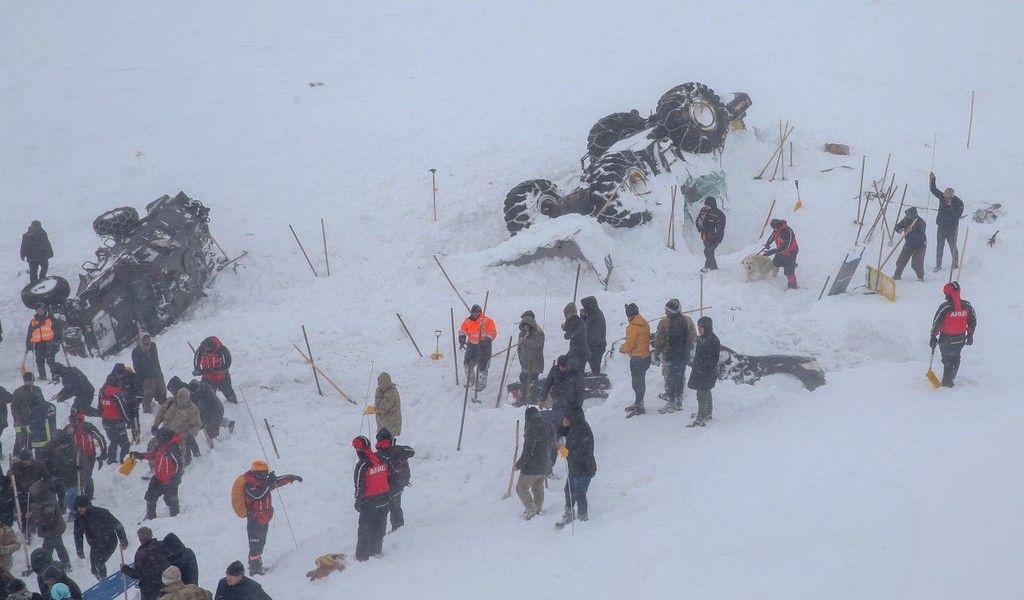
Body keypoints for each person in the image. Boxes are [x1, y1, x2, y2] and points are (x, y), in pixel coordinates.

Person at [239, 461, 301, 576]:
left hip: (264, 519)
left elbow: (276, 481)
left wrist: (291, 477)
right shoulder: (249, 485)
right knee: (255, 544)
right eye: (262, 474)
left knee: (261, 543)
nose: (264, 476)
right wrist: (269, 482)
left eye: (265, 474)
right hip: (255, 520)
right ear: (255, 473)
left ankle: (257, 565)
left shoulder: (264, 482)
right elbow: (258, 495)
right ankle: (254, 569)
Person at [652, 299, 696, 414]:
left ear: (672, 312)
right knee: (680, 376)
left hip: (672, 355)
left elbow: (660, 339)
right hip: (684, 355)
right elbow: (693, 336)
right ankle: (679, 399)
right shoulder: (687, 320)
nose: (665, 313)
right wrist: (688, 348)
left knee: (669, 376)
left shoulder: (667, 323)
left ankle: (672, 400)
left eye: (667, 311)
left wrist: (657, 352)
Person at [929, 281, 977, 388]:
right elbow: (973, 321)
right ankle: (951, 376)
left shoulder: (945, 307)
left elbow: (936, 322)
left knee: (947, 360)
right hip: (960, 338)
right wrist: (970, 334)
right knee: (955, 357)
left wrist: (933, 336)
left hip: (946, 339)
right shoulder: (967, 305)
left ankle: (947, 383)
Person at [556, 407, 596, 528]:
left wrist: (566, 451)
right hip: (574, 467)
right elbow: (562, 434)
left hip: (585, 468)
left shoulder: (582, 429)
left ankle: (583, 517)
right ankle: (569, 514)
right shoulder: (573, 426)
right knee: (568, 490)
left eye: (567, 418)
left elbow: (582, 451)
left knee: (579, 493)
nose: (565, 419)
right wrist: (564, 427)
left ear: (573, 417)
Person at [129, 429, 183, 519]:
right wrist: (140, 455)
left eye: (159, 438)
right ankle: (150, 516)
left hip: (170, 481)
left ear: (164, 438)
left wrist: (174, 479)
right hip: (158, 477)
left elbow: (179, 465)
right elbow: (154, 455)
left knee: (171, 500)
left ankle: (176, 518)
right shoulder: (162, 446)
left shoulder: (173, 449)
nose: (157, 440)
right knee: (150, 496)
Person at [351, 436, 390, 562]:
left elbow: (359, 485)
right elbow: (388, 476)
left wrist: (358, 501)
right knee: (380, 528)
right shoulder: (381, 458)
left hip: (369, 503)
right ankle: (376, 551)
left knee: (365, 530)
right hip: (384, 500)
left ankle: (362, 557)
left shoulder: (362, 465)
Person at [513, 406, 555, 520]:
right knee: (538, 486)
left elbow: (528, 450)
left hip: (532, 467)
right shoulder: (549, 426)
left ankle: (531, 509)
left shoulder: (532, 429)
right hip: (544, 464)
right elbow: (552, 442)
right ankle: (538, 508)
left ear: (527, 418)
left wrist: (519, 465)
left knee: (521, 487)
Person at [72, 496, 128, 580]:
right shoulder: (78, 518)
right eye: (79, 507)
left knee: (99, 562)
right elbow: (78, 534)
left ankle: (104, 580)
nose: (81, 509)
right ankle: (101, 582)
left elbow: (117, 525)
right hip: (95, 544)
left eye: (83, 507)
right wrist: (79, 549)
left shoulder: (101, 513)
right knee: (94, 570)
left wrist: (123, 540)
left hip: (109, 541)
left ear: (87, 506)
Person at [167, 377, 231, 449]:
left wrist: (199, 425)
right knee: (213, 419)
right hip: (215, 410)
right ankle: (229, 423)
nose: (174, 394)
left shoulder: (194, 393)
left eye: (173, 391)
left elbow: (204, 413)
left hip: (214, 411)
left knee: (211, 435)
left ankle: (217, 452)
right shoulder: (189, 390)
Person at [374, 428, 414, 531]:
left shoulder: (376, 456)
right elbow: (411, 451)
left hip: (384, 487)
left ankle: (380, 535)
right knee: (395, 508)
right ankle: (398, 529)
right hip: (399, 483)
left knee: (382, 511)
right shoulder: (399, 450)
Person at [27, 477, 70, 571]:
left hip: (52, 530)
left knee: (46, 551)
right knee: (59, 546)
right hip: (56, 528)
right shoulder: (47, 498)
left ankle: (45, 568)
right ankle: (66, 564)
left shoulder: (48, 503)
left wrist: (33, 516)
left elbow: (47, 520)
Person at [63, 413, 105, 506]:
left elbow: (100, 438)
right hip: (74, 457)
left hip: (88, 455)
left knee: (87, 475)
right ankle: (78, 495)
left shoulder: (88, 427)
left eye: (74, 421)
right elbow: (62, 441)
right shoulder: (68, 429)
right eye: (71, 421)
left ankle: (89, 495)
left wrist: (103, 453)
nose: (73, 423)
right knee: (75, 476)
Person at [152, 389, 202, 466]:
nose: (179, 400)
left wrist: (190, 435)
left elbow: (196, 425)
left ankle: (180, 468)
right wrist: (155, 425)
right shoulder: (170, 402)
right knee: (152, 446)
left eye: (182, 399)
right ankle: (154, 467)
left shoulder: (193, 410)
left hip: (179, 437)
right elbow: (161, 413)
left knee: (178, 459)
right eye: (178, 397)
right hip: (164, 434)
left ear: (187, 399)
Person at [687, 316, 721, 427]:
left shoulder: (712, 340)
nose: (699, 328)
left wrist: (702, 368)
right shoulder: (703, 338)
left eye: (701, 327)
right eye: (698, 326)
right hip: (702, 371)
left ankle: (701, 418)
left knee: (701, 395)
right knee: (707, 392)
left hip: (706, 373)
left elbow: (713, 359)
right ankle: (707, 414)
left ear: (707, 327)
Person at [618, 303, 651, 417]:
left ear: (628, 315)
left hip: (637, 359)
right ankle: (638, 402)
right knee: (640, 381)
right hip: (646, 357)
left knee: (637, 383)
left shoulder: (632, 327)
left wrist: (622, 349)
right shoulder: (644, 322)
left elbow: (629, 346)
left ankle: (639, 405)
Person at [121, 527, 170, 600]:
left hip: (149, 590)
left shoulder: (141, 554)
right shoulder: (162, 545)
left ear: (140, 539)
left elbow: (138, 574)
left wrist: (125, 569)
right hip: (167, 586)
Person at [929, 172, 965, 273]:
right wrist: (933, 179)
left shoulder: (959, 203)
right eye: (944, 197)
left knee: (952, 246)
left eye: (947, 198)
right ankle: (938, 265)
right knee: (939, 246)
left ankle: (955, 264)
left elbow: (957, 215)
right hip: (941, 226)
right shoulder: (943, 197)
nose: (945, 199)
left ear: (952, 197)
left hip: (952, 228)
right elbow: (933, 190)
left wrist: (950, 207)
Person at [458, 305, 497, 394]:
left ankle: (481, 383)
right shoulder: (467, 321)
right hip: (472, 345)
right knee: (467, 363)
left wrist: (487, 339)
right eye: (473, 313)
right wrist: (462, 337)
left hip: (484, 346)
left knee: (483, 365)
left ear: (480, 313)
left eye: (477, 313)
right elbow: (463, 330)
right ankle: (470, 380)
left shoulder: (487, 321)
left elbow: (493, 332)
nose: (475, 315)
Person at [97, 374, 133, 465]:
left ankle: (111, 460)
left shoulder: (101, 391)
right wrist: (128, 420)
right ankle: (124, 462)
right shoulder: (117, 393)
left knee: (113, 441)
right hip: (117, 422)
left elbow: (99, 407)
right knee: (125, 443)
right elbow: (123, 408)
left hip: (105, 421)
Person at [192, 337, 237, 404]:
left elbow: (227, 365)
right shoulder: (202, 347)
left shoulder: (222, 350)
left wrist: (213, 370)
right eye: (204, 349)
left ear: (212, 347)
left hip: (222, 377)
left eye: (207, 349)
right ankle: (211, 407)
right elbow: (197, 356)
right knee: (207, 396)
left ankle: (233, 402)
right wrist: (197, 368)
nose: (205, 351)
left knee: (228, 392)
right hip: (207, 377)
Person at [514, 311, 545, 406]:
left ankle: (532, 399)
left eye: (527, 326)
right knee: (524, 378)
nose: (526, 328)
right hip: (526, 364)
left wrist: (524, 342)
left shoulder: (538, 334)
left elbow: (536, 345)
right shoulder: (522, 335)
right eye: (524, 326)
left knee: (531, 381)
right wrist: (521, 360)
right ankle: (525, 398)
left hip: (535, 363)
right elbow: (520, 349)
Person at [25, 307, 62, 382]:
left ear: (45, 310)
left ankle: (55, 377)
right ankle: (42, 377)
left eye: (41, 309)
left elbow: (58, 331)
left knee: (50, 361)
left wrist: (57, 341)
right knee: (39, 361)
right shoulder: (33, 321)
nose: (40, 311)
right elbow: (30, 333)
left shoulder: (51, 319)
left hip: (49, 343)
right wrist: (28, 343)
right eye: (38, 310)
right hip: (38, 344)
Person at [10, 373, 43, 455]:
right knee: (20, 439)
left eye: (30, 381)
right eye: (27, 381)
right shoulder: (18, 392)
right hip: (21, 420)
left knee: (31, 438)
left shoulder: (37, 390)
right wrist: (17, 418)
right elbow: (14, 407)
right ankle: (16, 456)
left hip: (34, 420)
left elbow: (42, 403)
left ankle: (28, 455)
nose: (29, 383)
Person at [132, 334, 165, 415]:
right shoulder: (136, 352)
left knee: (162, 391)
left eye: (148, 339)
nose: (147, 341)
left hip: (157, 373)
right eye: (144, 339)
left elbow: (156, 360)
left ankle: (163, 407)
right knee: (148, 395)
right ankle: (147, 412)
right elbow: (137, 367)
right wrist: (143, 379)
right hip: (147, 377)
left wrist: (158, 372)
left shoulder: (153, 346)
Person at [763, 219, 800, 289]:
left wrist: (772, 251)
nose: (774, 230)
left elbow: (786, 247)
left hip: (791, 251)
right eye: (773, 229)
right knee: (776, 262)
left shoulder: (788, 232)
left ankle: (792, 285)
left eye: (775, 228)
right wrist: (767, 244)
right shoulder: (776, 230)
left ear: (779, 225)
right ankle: (792, 264)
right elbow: (772, 236)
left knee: (789, 270)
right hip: (781, 251)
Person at [893, 207, 927, 281]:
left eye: (909, 215)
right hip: (909, 244)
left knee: (916, 264)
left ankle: (920, 278)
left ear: (913, 215)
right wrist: (899, 229)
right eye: (907, 215)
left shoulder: (921, 223)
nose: (907, 216)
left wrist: (911, 231)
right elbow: (898, 225)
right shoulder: (906, 219)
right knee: (901, 261)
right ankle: (896, 277)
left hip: (920, 245)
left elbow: (920, 237)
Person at [695, 196, 726, 272]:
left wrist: (717, 237)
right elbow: (698, 220)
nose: (706, 206)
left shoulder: (719, 214)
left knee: (708, 251)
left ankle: (712, 267)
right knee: (709, 252)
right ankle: (710, 266)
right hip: (705, 236)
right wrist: (700, 227)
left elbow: (720, 228)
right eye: (705, 205)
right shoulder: (703, 211)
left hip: (715, 237)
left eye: (708, 205)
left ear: (712, 204)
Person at [366, 373, 401, 437]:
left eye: (380, 382)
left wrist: (378, 395)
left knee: (386, 445)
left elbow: (381, 408)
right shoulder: (385, 391)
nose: (378, 384)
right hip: (386, 426)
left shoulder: (391, 393)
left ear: (385, 383)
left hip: (390, 427)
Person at [579, 297, 606, 375]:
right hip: (594, 346)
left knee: (595, 367)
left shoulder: (595, 315)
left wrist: (583, 316)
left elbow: (585, 327)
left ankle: (597, 381)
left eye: (585, 307)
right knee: (593, 366)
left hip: (595, 347)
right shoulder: (594, 313)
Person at [561, 303, 588, 372]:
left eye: (566, 314)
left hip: (579, 352)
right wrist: (566, 327)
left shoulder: (577, 322)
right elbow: (572, 330)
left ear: (570, 313)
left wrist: (566, 330)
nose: (565, 316)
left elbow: (568, 335)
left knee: (576, 372)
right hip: (576, 350)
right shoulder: (575, 321)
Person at [27, 393, 56, 459]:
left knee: (40, 461)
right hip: (52, 437)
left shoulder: (36, 410)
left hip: (41, 440)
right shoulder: (49, 405)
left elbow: (36, 425)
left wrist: (27, 428)